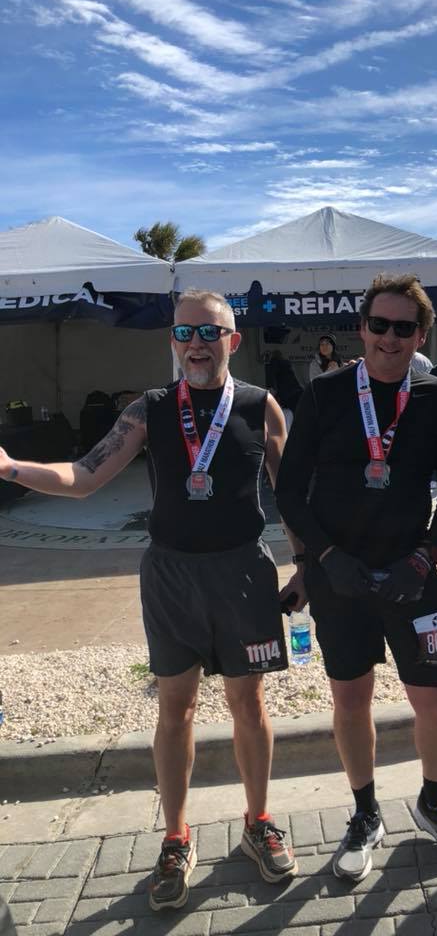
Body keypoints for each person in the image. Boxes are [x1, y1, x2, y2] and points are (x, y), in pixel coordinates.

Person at [0, 290, 305, 910]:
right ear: (173, 341)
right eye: (185, 332)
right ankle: (175, 836)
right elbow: (85, 476)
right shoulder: (150, 409)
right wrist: (9, 467)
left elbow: (291, 491)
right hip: (170, 575)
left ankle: (258, 822)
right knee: (176, 708)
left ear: (233, 341)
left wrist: (306, 564)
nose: (196, 343)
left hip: (243, 573)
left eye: (209, 332)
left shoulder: (260, 405)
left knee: (249, 704)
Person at [276, 274, 437, 881]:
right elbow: (289, 491)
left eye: (404, 328)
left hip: (411, 576)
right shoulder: (325, 392)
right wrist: (323, 557)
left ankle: (434, 803)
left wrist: (426, 554)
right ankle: (365, 814)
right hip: (339, 577)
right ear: (362, 328)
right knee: (350, 699)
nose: (390, 337)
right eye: (379, 324)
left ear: (422, 335)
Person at [265, 350, 303, 430]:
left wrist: (272, 395)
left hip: (286, 395)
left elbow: (271, 382)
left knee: (288, 417)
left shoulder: (272, 365)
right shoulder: (287, 364)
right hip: (297, 392)